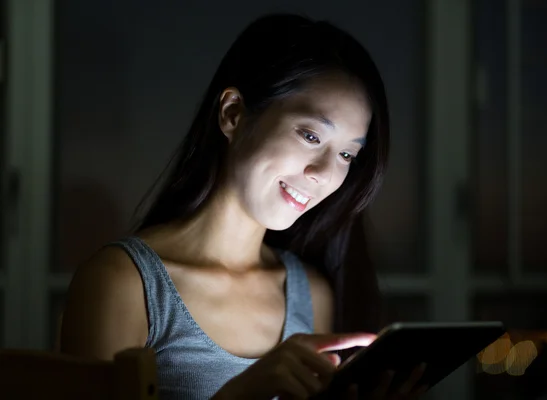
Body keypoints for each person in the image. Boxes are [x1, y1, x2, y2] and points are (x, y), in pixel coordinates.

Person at [60, 14, 427, 399]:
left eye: (348, 155)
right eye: (310, 134)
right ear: (233, 113)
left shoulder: (310, 294)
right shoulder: (123, 284)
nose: (323, 172)